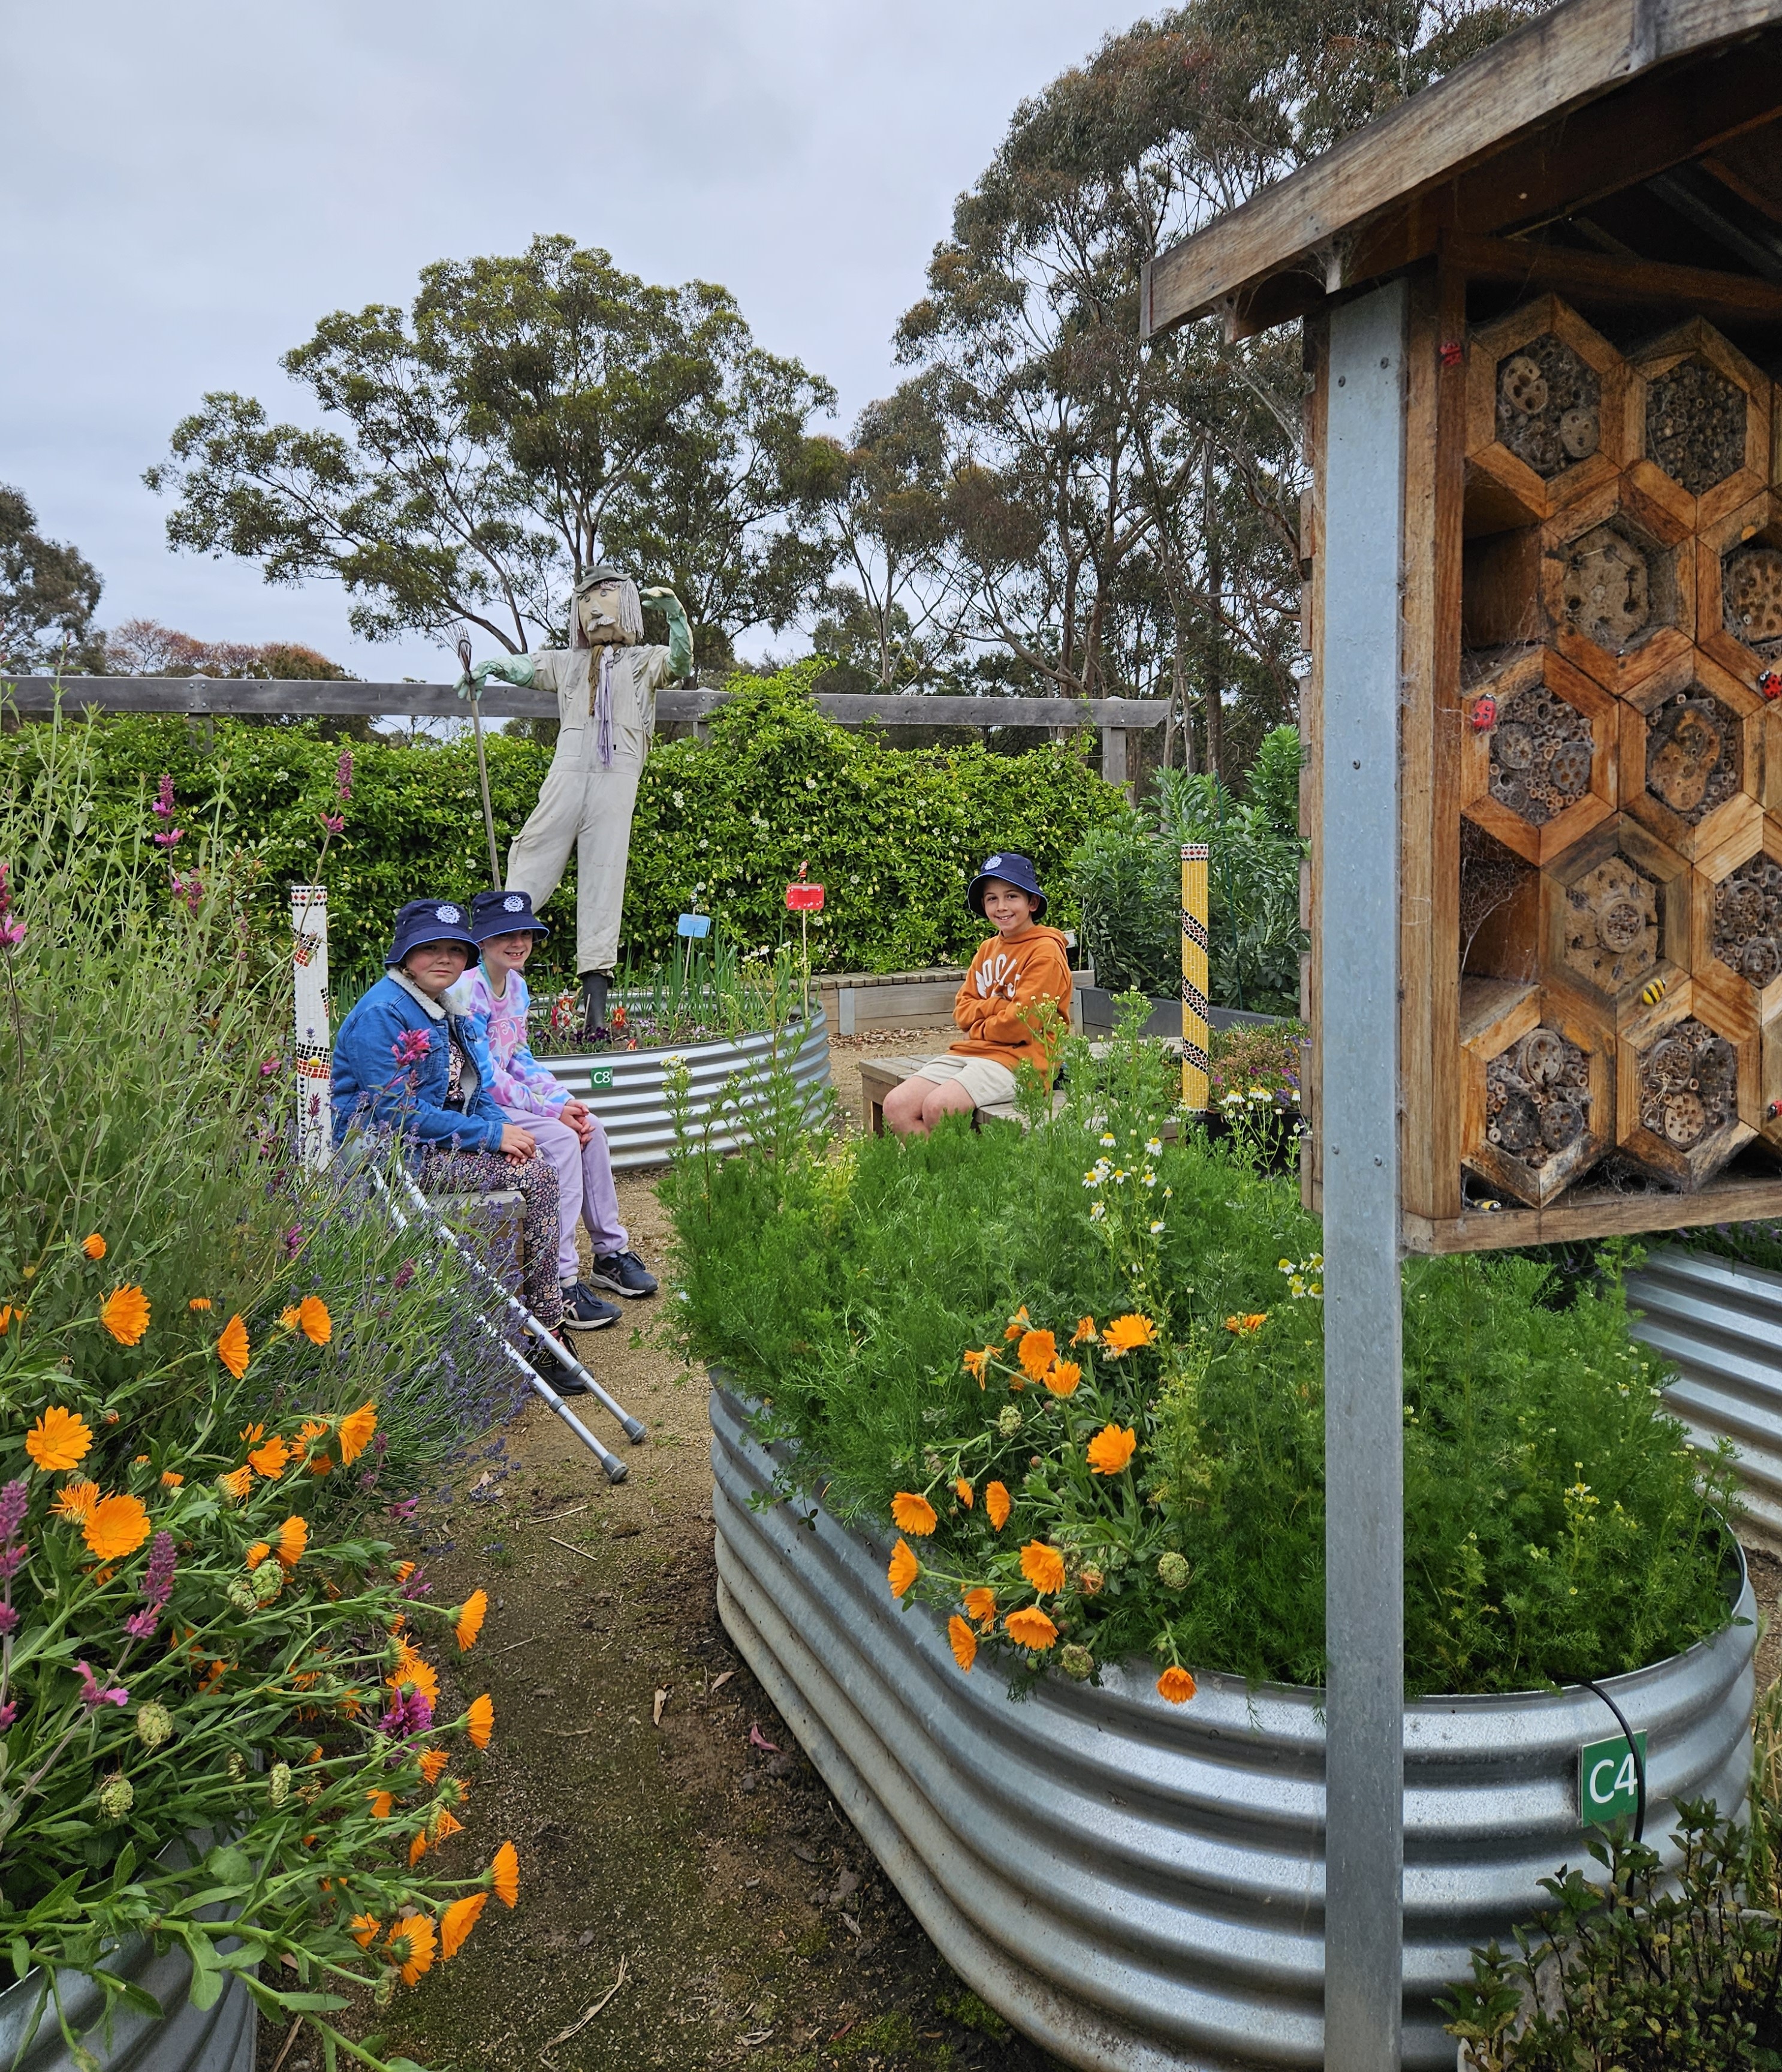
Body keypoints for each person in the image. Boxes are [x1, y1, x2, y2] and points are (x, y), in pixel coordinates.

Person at [457, 566, 693, 1037]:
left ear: (625, 605)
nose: (597, 607)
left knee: (604, 878)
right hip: (567, 769)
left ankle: (595, 1013)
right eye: (587, 600)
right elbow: (528, 666)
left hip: (617, 773)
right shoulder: (568, 663)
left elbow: (681, 664)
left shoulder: (643, 661)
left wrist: (676, 617)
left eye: (607, 596)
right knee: (531, 854)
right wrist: (490, 666)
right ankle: (492, 982)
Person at [329, 897, 568, 1342]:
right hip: (391, 1155)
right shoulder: (385, 1011)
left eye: (455, 950)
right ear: (405, 955)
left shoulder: (443, 1005)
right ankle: (544, 1327)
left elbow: (473, 1088)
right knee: (538, 1176)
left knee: (535, 1164)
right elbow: (396, 1113)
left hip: (435, 1143)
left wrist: (503, 1130)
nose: (444, 958)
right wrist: (491, 1135)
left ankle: (539, 1319)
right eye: (430, 948)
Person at [446, 888, 659, 1328]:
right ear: (482, 942)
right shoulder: (469, 990)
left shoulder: (517, 986)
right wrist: (550, 1112)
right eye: (505, 934)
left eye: (525, 932)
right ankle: (559, 1281)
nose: (518, 942)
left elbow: (519, 1057)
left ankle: (609, 1253)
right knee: (563, 1140)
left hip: (511, 1100)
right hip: (477, 1106)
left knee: (590, 1126)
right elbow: (485, 1077)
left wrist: (562, 1102)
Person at [881, 852, 1074, 1139]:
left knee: (939, 1108)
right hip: (975, 1052)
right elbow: (962, 1010)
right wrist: (998, 1007)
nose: (1001, 907)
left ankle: (958, 1180)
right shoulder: (987, 949)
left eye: (1011, 896)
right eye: (991, 899)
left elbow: (1021, 1024)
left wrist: (981, 1025)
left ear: (1032, 902)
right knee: (896, 1106)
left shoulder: (1045, 951)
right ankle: (938, 1177)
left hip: (1023, 1061)